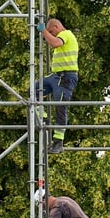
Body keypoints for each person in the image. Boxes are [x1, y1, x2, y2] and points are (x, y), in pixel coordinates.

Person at [36, 18, 79, 154]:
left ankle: (58, 142)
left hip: (66, 77)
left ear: (56, 26)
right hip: (56, 76)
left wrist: (43, 31)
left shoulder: (65, 34)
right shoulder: (62, 36)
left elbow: (54, 43)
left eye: (51, 31)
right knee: (34, 90)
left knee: (60, 106)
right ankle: (42, 117)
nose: (51, 34)